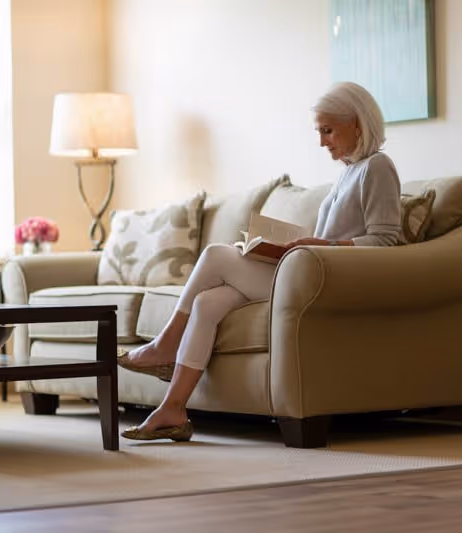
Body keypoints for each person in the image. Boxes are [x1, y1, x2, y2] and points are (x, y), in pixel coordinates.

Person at [118, 81, 402, 441]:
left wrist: (323, 243)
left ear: (357, 123)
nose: (322, 141)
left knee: (215, 255)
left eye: (328, 131)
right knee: (207, 303)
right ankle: (172, 409)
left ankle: (164, 345)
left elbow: (385, 240)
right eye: (320, 132)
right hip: (304, 270)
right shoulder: (349, 170)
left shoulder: (378, 167)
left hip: (323, 281)